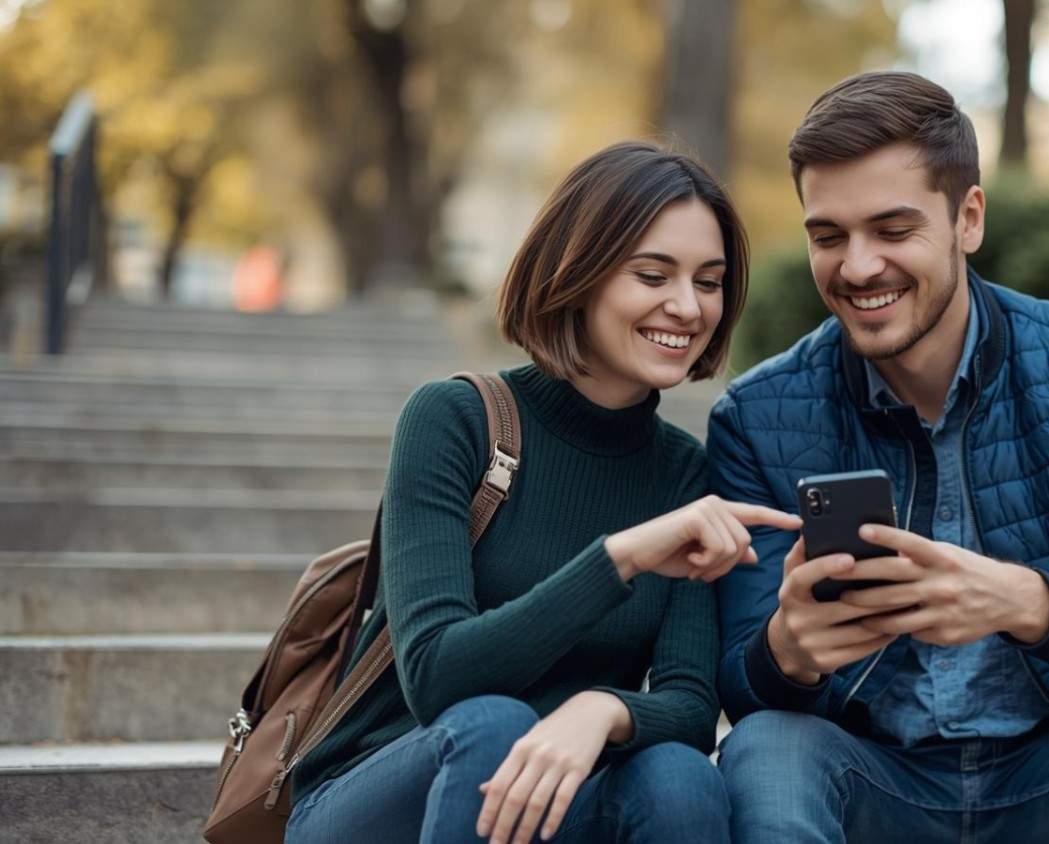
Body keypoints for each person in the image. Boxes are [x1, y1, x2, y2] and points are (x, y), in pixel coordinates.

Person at [708, 71, 1049, 842]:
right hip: (879, 785)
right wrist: (784, 653)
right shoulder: (757, 416)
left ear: (968, 218)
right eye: (828, 236)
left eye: (893, 230)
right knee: (765, 748)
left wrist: (1028, 603)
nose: (858, 266)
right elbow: (739, 677)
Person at [286, 141, 801, 844]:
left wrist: (599, 710)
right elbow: (439, 678)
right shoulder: (454, 420)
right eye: (653, 275)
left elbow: (687, 703)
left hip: (551, 799)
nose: (686, 307)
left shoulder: (682, 470)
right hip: (382, 793)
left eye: (708, 282)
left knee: (680, 775)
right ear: (579, 272)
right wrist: (619, 558)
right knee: (493, 726)